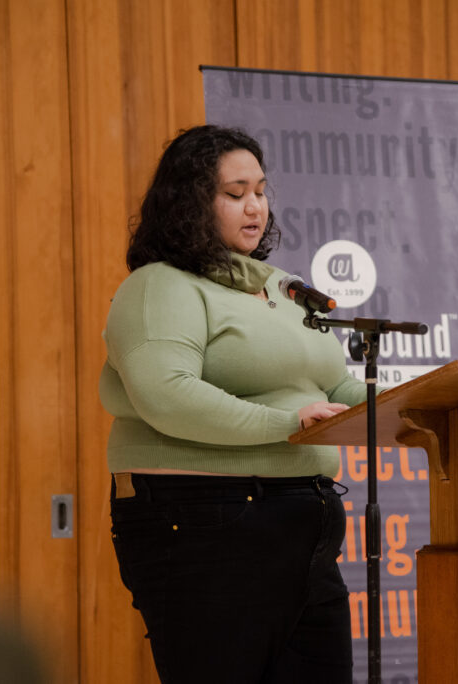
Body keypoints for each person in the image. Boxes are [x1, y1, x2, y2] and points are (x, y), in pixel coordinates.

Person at [99, 125, 366, 683]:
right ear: (191, 202)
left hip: (305, 523)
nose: (255, 207)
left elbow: (337, 389)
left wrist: (425, 404)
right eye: (234, 193)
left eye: (261, 191)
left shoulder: (282, 289)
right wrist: (286, 424)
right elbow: (166, 396)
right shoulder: (159, 286)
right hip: (204, 522)